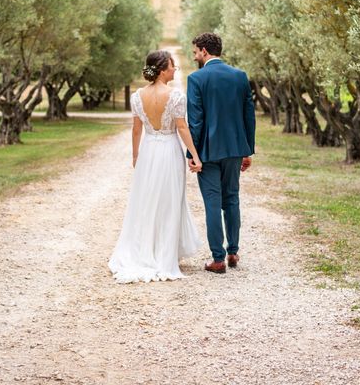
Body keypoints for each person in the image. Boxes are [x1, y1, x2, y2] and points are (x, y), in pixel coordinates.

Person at [108, 50, 202, 283]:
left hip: (149, 152)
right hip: (169, 151)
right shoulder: (176, 96)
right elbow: (182, 128)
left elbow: (136, 129)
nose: (174, 70)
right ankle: (164, 255)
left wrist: (135, 155)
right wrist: (196, 156)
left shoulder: (138, 96)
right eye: (172, 66)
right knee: (169, 201)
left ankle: (146, 251)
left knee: (146, 201)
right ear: (162, 70)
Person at [187, 32, 256, 274]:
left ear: (205, 51)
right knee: (232, 199)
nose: (195, 56)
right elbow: (249, 117)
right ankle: (233, 252)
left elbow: (195, 122)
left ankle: (217, 259)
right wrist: (247, 151)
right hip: (235, 149)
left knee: (213, 204)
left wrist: (191, 155)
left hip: (206, 152)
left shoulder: (196, 79)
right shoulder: (240, 76)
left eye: (196, 51)